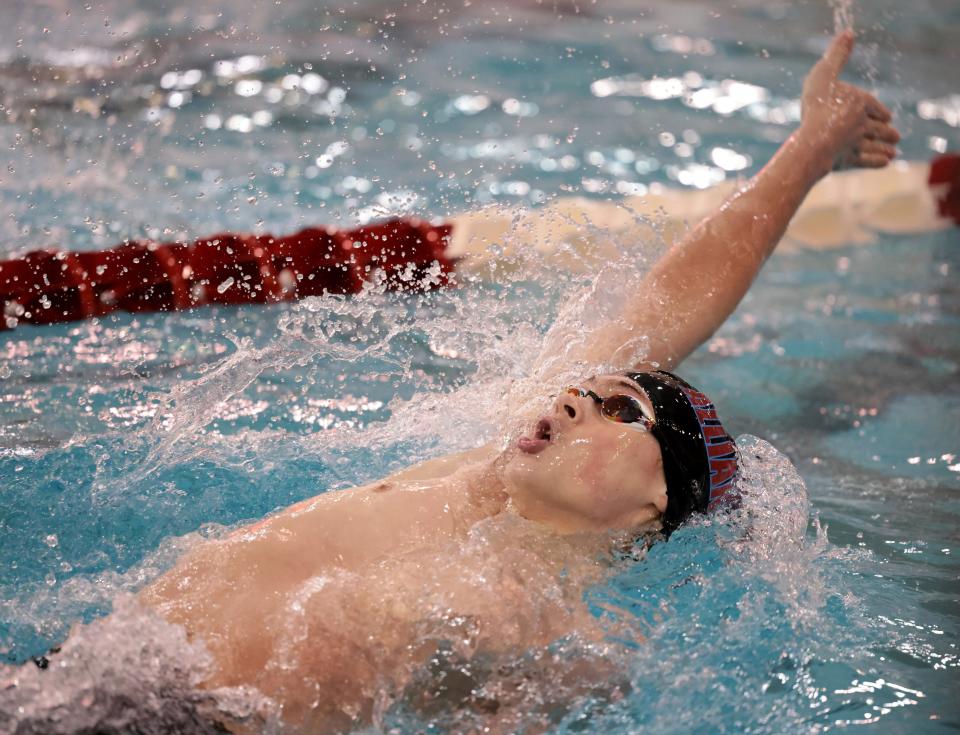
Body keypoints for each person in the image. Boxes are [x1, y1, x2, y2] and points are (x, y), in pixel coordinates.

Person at [25, 31, 903, 733]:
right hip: (77, 667)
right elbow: (670, 296)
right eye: (588, 388)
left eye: (619, 409)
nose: (572, 398)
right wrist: (812, 143)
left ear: (656, 503)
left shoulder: (566, 641)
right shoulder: (473, 478)